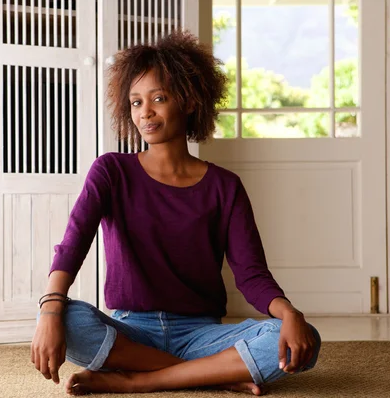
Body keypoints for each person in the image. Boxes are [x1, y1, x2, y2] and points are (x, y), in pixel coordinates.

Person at [30, 30, 321, 396]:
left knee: (301, 339)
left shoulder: (224, 186)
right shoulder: (111, 172)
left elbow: (251, 276)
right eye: (135, 102)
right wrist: (51, 308)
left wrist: (290, 313)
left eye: (159, 98)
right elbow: (72, 245)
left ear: (188, 101)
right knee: (69, 320)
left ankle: (141, 380)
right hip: (129, 333)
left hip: (201, 333)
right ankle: (216, 375)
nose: (145, 112)